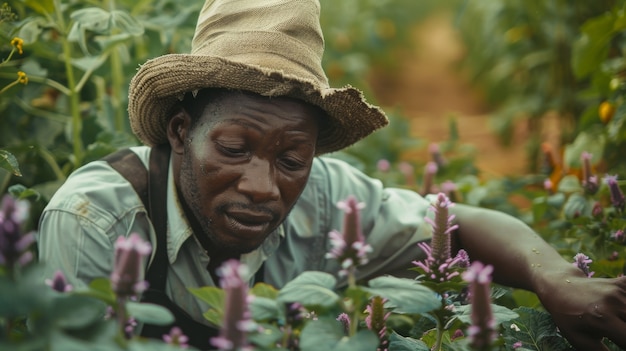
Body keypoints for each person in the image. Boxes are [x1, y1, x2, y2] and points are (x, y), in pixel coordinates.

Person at [36, 0, 626, 350]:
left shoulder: (327, 196)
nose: (265, 186)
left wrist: (555, 277)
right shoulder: (95, 222)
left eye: (292, 159)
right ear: (180, 131)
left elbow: (458, 222)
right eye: (235, 147)